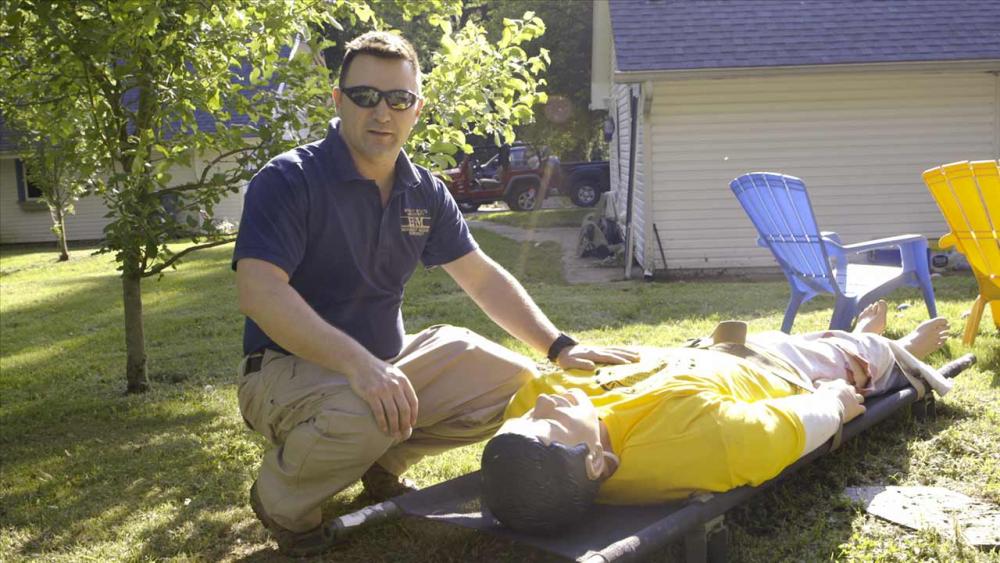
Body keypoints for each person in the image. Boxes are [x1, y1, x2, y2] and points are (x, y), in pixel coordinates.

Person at [231, 31, 637, 556]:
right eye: (365, 96)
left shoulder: (423, 190)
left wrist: (560, 347)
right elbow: (260, 293)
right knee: (364, 408)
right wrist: (361, 366)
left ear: (416, 109)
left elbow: (482, 277)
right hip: (283, 369)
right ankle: (281, 501)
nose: (383, 112)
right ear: (338, 100)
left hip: (385, 360)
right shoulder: (290, 179)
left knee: (519, 386)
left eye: (398, 99)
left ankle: (382, 465)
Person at [481, 303, 954, 533]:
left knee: (807, 337)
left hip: (708, 352)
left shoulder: (535, 410)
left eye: (525, 420)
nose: (545, 406)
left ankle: (855, 338)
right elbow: (792, 426)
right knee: (854, 355)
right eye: (548, 425)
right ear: (595, 463)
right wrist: (832, 402)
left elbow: (535, 403)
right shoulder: (695, 445)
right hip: (778, 372)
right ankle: (901, 348)